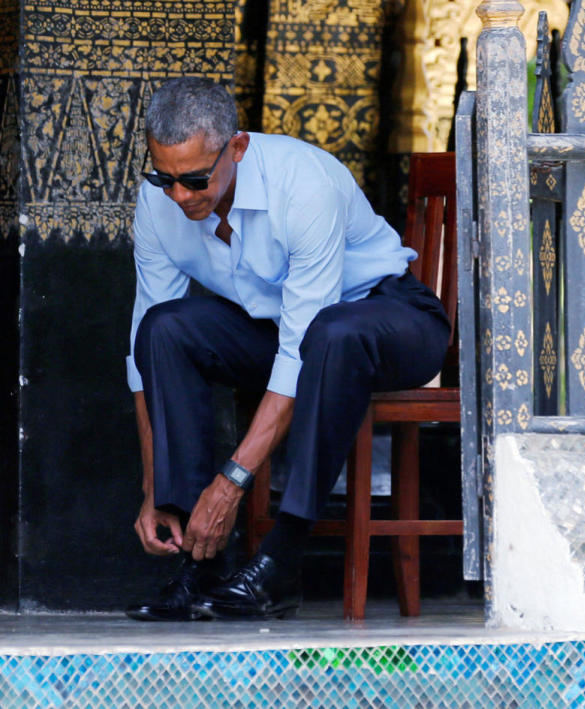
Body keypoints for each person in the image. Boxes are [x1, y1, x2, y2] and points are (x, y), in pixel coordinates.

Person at [124, 77, 450, 621]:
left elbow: (302, 347)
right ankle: (197, 558)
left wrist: (230, 484)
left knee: (333, 335)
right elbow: (141, 353)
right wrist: (153, 485)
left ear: (238, 147)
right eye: (166, 178)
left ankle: (282, 562)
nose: (180, 196)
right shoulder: (159, 204)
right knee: (163, 328)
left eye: (195, 179)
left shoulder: (302, 182)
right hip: (288, 330)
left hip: (393, 318)